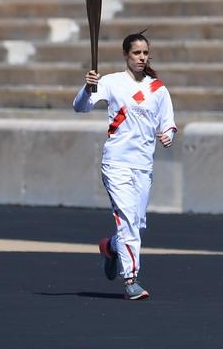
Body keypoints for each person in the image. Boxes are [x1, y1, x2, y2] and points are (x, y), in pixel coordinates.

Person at [73, 31, 177, 300]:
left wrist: (168, 135)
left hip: (143, 166)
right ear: (126, 55)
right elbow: (80, 107)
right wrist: (87, 87)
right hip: (116, 162)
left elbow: (168, 122)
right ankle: (131, 280)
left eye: (145, 53)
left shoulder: (157, 89)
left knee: (135, 225)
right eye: (136, 53)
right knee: (128, 221)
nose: (142, 57)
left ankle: (110, 248)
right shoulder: (111, 82)